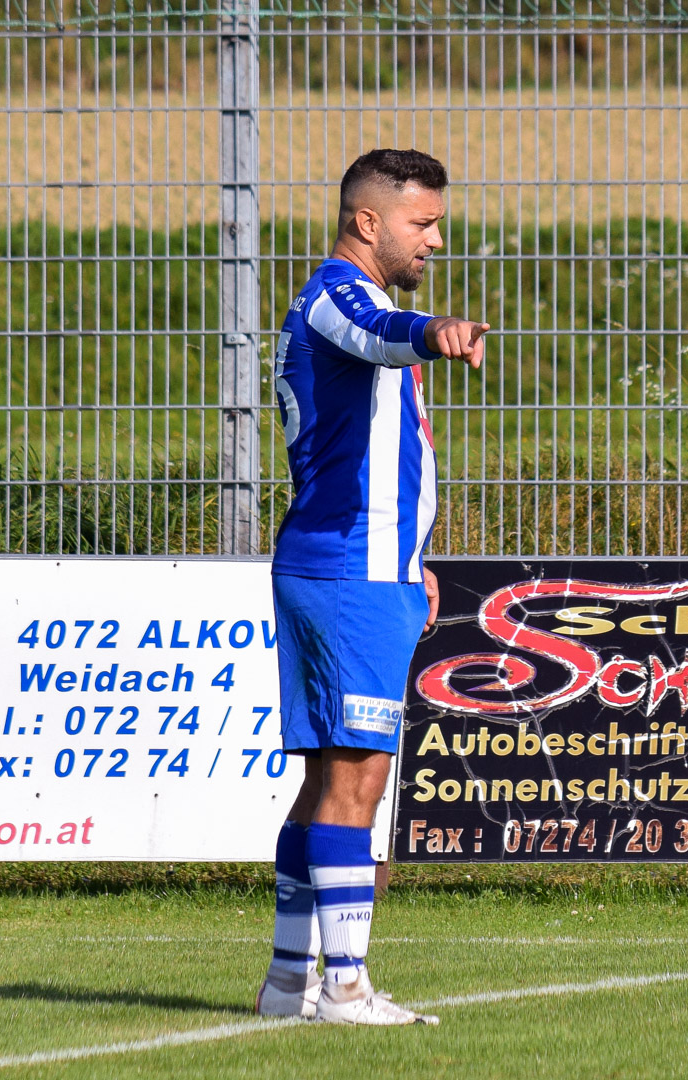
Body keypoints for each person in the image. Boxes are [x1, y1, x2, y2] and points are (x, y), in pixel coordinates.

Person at [255, 149, 490, 1026]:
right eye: (421, 223)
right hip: (350, 571)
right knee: (358, 782)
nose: (436, 239)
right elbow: (378, 332)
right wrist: (437, 330)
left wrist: (412, 555)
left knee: (328, 782)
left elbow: (381, 445)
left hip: (361, 566)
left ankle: (288, 982)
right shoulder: (338, 296)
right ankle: (345, 986)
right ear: (367, 222)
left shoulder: (348, 299)